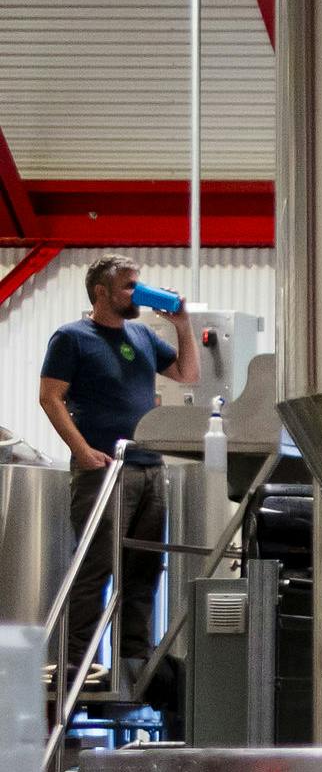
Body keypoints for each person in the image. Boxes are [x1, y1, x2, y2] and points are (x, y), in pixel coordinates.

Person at [37, 258, 192, 691]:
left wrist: (182, 325)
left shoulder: (143, 335)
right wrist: (81, 449)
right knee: (95, 567)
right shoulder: (72, 338)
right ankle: (76, 665)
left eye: (138, 285)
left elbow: (187, 373)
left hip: (148, 467)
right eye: (128, 287)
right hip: (103, 470)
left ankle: (134, 662)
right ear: (101, 292)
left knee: (145, 569)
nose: (137, 294)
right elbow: (50, 397)